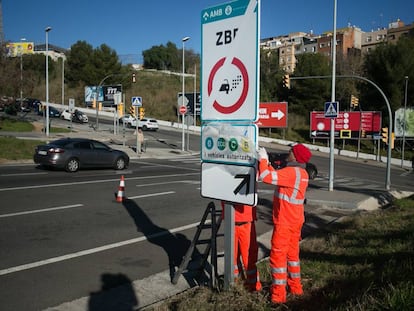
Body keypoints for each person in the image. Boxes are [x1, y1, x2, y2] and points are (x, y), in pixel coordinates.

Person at [257, 144, 312, 304]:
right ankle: (296, 288)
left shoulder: (291, 172)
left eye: (290, 151)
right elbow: (278, 176)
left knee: (278, 256)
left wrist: (263, 159)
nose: (288, 153)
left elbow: (266, 177)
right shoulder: (302, 173)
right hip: (296, 221)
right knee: (292, 255)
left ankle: (278, 296)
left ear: (295, 156)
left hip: (285, 222)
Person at [221, 201, 262, 292]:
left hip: (245, 222)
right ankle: (236, 283)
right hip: (231, 221)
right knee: (232, 258)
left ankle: (254, 288)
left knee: (248, 258)